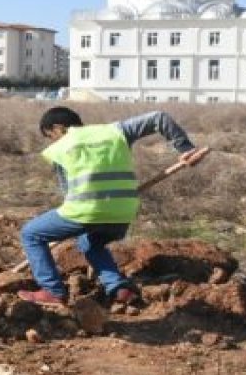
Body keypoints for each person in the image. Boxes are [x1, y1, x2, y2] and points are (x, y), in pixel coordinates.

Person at [19, 106, 205, 307]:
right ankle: (118, 288)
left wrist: (69, 224)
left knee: (31, 234)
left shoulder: (61, 147)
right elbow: (158, 118)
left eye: (51, 136)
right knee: (90, 242)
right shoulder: (115, 131)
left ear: (58, 128)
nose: (53, 141)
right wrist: (186, 149)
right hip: (122, 213)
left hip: (84, 210)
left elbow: (67, 191)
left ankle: (52, 291)